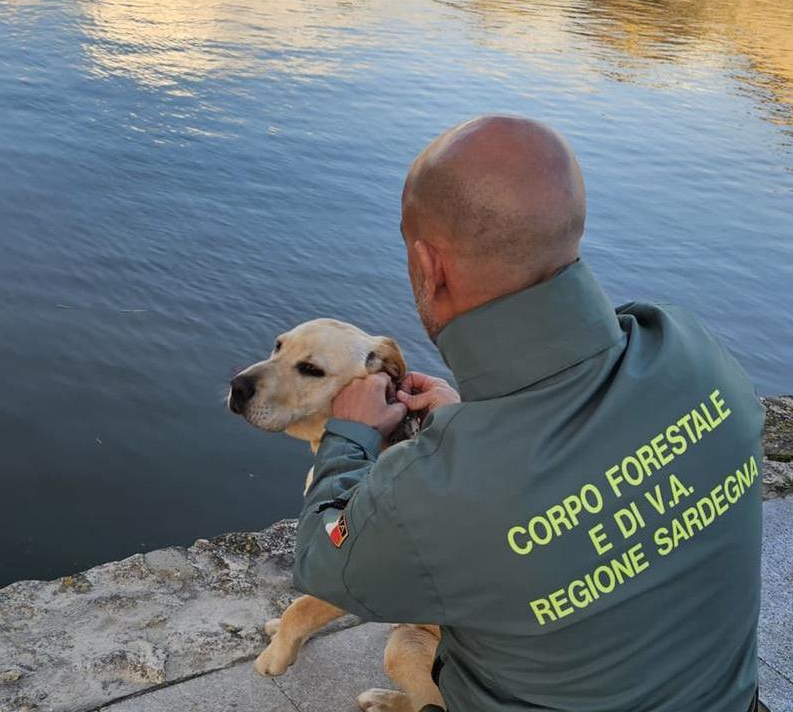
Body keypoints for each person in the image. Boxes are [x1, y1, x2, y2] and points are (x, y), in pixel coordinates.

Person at [293, 115, 766, 712]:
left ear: (429, 265)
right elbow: (582, 449)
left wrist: (350, 435)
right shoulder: (694, 354)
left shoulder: (434, 497)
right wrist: (471, 419)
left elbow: (321, 558)